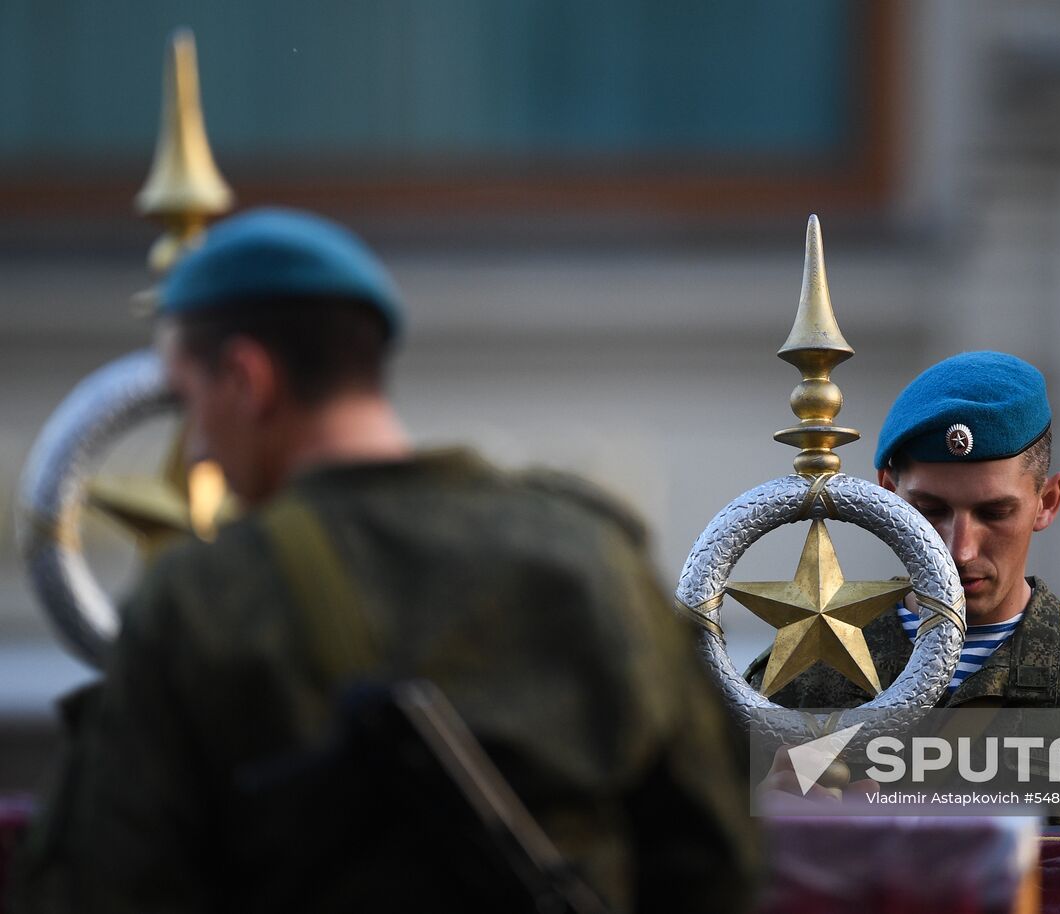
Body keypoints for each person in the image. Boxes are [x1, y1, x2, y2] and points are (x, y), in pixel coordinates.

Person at [11, 208, 761, 913]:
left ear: (246, 377)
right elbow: (714, 856)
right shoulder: (592, 552)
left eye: (188, 401)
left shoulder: (202, 598)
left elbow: (113, 887)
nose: (198, 448)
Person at [747, 351, 1060, 834]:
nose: (959, 549)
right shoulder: (796, 680)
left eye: (994, 513)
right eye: (930, 510)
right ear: (886, 498)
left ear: (1046, 502)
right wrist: (756, 834)